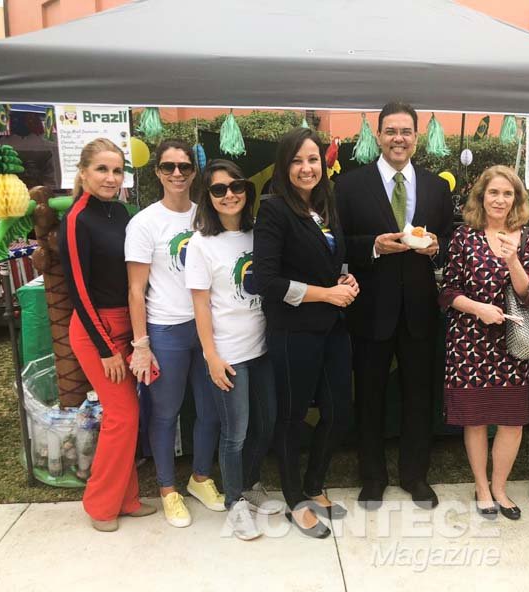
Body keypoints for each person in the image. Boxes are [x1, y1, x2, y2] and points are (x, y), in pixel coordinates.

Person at [336, 101, 453, 510]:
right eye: (390, 131)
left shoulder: (437, 186)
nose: (398, 138)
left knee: (418, 395)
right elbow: (336, 241)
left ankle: (414, 475)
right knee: (368, 394)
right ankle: (372, 478)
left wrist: (439, 246)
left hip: (420, 309)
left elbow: (449, 240)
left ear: (416, 138)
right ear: (378, 136)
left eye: (405, 131)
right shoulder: (350, 186)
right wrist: (372, 246)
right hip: (370, 308)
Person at [254, 128, 356, 538]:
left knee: (338, 411)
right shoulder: (274, 210)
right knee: (293, 417)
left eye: (312, 159)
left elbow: (338, 260)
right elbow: (267, 281)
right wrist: (325, 294)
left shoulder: (326, 206)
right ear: (284, 166)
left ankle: (315, 484)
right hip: (293, 331)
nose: (306, 167)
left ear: (323, 164)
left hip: (333, 327)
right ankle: (296, 498)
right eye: (297, 160)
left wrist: (347, 283)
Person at [125, 139, 228, 528]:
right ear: (157, 172)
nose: (177, 174)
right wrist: (141, 344)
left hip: (208, 327)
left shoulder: (207, 215)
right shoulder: (144, 223)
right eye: (169, 167)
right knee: (165, 413)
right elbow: (136, 290)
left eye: (184, 166)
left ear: (194, 171)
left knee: (211, 409)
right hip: (165, 328)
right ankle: (168, 489)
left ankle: (200, 477)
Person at [58, 137, 156, 532]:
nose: (111, 177)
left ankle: (127, 499)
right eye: (102, 169)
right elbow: (77, 290)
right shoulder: (76, 218)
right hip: (96, 331)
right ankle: (100, 505)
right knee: (122, 415)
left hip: (129, 326)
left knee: (128, 417)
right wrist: (106, 350)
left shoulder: (122, 212)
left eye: (117, 170)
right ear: (83, 172)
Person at [439, 165, 529, 520]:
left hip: (513, 342)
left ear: (516, 199)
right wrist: (479, 309)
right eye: (493, 192)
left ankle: (500, 487)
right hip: (470, 341)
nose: (499, 199)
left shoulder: (526, 238)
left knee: (512, 420)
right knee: (477, 419)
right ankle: (481, 486)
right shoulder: (465, 237)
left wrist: (513, 257)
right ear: (482, 196)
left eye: (507, 193)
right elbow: (448, 291)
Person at [184, 159, 276, 541]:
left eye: (236, 186)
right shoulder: (201, 245)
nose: (229, 195)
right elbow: (200, 304)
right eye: (218, 189)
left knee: (266, 422)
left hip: (265, 348)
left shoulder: (260, 234)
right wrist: (212, 356)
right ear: (208, 196)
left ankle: (250, 481)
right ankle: (235, 502)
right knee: (234, 433)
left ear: (246, 191)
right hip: (229, 353)